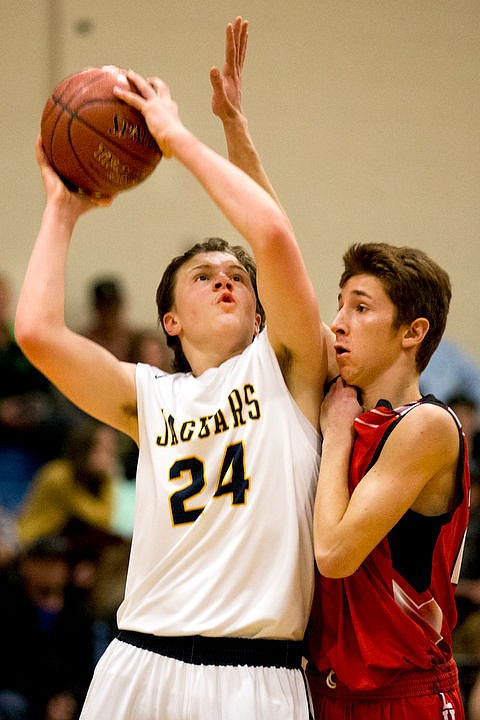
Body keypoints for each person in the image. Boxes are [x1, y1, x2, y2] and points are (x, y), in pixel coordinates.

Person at [15, 53, 326, 720]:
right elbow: (37, 332)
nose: (226, 279)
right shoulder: (150, 395)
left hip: (257, 676)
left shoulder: (290, 370)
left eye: (237, 277)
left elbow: (270, 234)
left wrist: (180, 139)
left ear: (261, 310)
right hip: (140, 662)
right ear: (170, 320)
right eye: (204, 274)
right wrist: (63, 210)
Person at [305, 243, 470, 719]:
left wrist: (335, 436)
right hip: (327, 690)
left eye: (360, 307)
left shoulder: (428, 425)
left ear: (413, 332)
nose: (339, 321)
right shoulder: (352, 411)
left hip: (404, 695)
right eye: (339, 305)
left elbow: (335, 555)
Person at [0, 534, 95, 720]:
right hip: (22, 695)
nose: (56, 570)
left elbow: (84, 666)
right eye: (47, 563)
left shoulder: (77, 611)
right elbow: (10, 666)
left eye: (60, 563)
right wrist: (45, 702)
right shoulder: (9, 604)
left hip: (65, 698)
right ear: (28, 566)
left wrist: (69, 699)